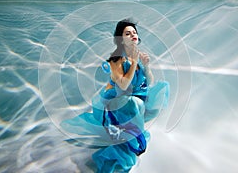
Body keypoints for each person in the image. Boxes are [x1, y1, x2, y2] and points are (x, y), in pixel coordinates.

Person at [61, 18, 169, 173]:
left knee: (161, 90)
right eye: (127, 33)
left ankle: (130, 133)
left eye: (134, 32)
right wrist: (133, 63)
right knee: (134, 104)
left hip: (135, 99)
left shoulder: (137, 58)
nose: (133, 35)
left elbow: (149, 81)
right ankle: (126, 142)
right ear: (121, 39)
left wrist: (146, 65)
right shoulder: (116, 59)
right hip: (115, 103)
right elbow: (123, 84)